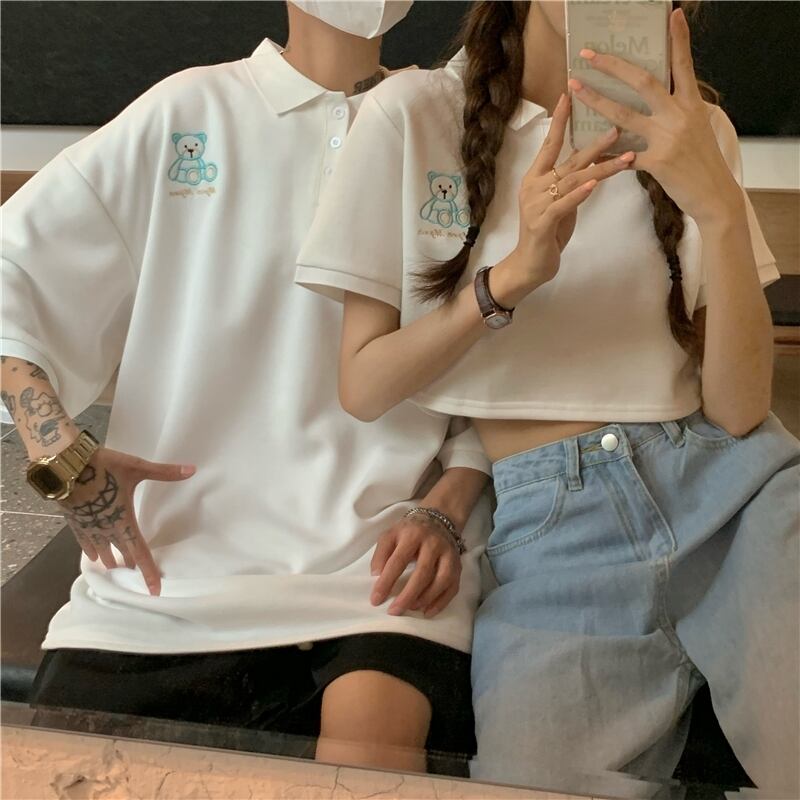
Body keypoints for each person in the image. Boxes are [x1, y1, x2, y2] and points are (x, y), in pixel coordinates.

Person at [294, 0, 800, 794]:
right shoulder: (412, 114)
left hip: (733, 496)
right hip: (554, 532)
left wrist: (719, 210)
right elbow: (364, 384)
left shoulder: (697, 130)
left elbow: (738, 411)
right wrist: (511, 279)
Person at [1, 0, 493, 772]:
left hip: (382, 575)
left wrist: (449, 506)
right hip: (164, 581)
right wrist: (59, 449)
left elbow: (504, 354)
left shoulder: (448, 122)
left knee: (368, 763)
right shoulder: (188, 112)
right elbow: (13, 267)